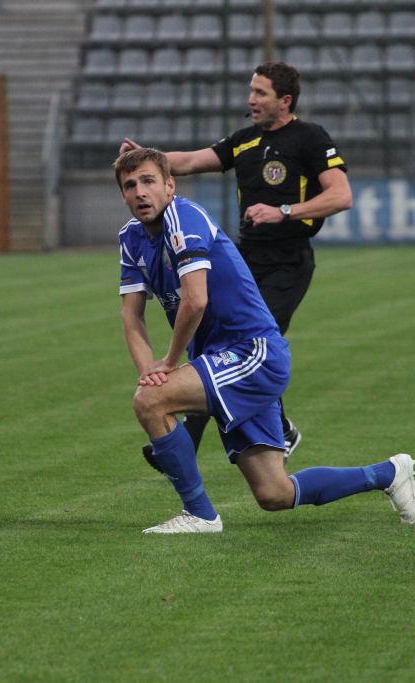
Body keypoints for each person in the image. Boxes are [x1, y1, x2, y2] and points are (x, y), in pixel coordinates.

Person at [115, 147, 415, 534]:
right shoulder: (131, 238)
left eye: (148, 181)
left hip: (251, 353)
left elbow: (195, 300)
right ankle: (388, 473)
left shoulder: (183, 216)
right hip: (225, 360)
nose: (140, 192)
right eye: (130, 185)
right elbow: (132, 316)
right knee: (274, 493)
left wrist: (168, 365)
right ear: (123, 196)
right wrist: (150, 372)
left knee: (149, 402)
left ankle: (200, 515)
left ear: (169, 186)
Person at [120, 60, 352, 466]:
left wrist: (282, 211)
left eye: (260, 92)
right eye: (251, 91)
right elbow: (189, 161)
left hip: (289, 261)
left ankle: (189, 446)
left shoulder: (310, 138)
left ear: (285, 100)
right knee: (219, 348)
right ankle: (278, 429)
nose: (251, 99)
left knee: (251, 343)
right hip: (246, 261)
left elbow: (341, 196)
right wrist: (143, 160)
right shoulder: (244, 141)